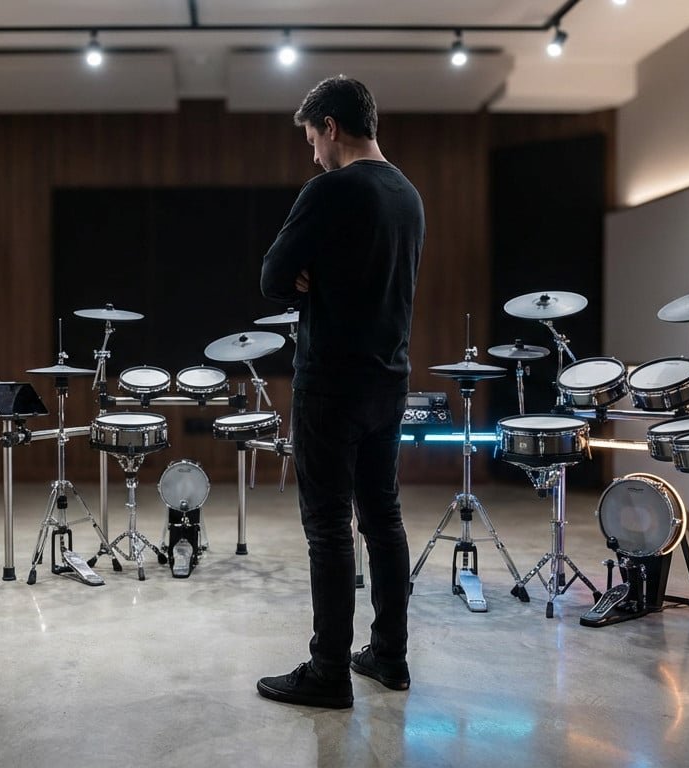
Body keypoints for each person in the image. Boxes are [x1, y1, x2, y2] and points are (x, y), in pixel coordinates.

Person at [256, 75, 425, 709]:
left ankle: (327, 671)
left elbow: (273, 277)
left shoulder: (330, 189)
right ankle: (390, 656)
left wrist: (307, 273)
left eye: (310, 137)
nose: (312, 153)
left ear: (330, 126)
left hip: (330, 384)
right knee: (383, 518)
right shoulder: (408, 195)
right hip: (390, 380)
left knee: (327, 528)